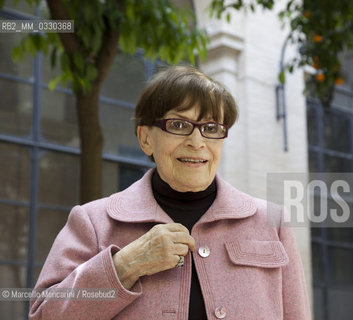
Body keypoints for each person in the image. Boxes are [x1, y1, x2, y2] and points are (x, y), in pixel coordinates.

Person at [29, 65, 311, 319]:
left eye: (211, 127)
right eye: (178, 125)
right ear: (145, 138)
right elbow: (44, 315)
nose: (197, 142)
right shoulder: (93, 222)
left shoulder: (271, 222)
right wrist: (126, 265)